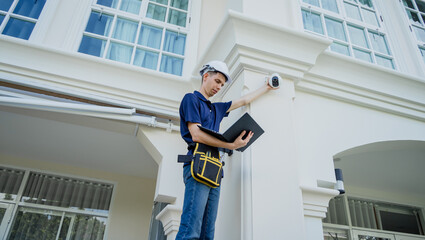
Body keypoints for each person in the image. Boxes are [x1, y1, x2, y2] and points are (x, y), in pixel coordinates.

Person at [177, 60, 278, 240]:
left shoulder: (216, 108)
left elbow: (244, 100)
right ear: (205, 76)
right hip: (198, 163)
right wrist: (230, 145)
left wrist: (268, 87)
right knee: (190, 231)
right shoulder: (191, 99)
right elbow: (196, 135)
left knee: (207, 234)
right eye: (217, 81)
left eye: (222, 85)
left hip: (215, 169)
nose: (219, 87)